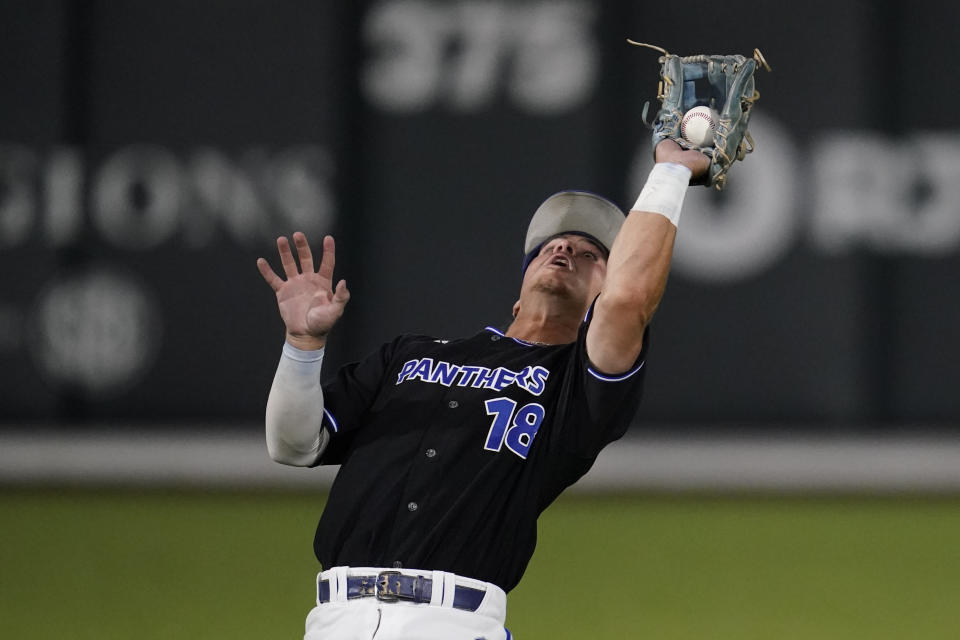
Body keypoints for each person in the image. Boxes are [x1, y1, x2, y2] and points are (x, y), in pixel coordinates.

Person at [256, 139, 708, 640]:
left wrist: (671, 172)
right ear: (516, 295)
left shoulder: (577, 389)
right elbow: (292, 445)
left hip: (453, 622)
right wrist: (303, 344)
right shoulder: (408, 355)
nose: (564, 250)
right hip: (335, 620)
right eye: (551, 246)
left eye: (591, 254)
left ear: (597, 304)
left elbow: (628, 299)